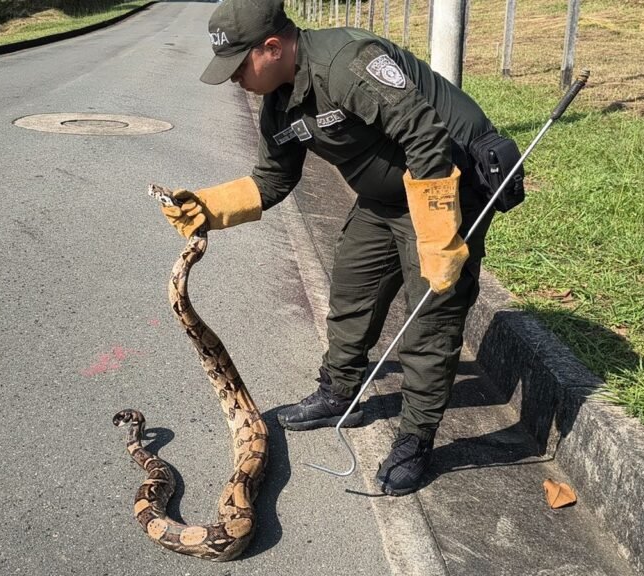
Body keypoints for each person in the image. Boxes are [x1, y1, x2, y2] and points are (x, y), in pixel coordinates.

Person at [160, 0, 499, 496]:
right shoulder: (279, 102)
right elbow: (273, 179)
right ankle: (340, 392)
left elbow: (426, 136)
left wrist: (438, 234)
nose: (234, 80)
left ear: (271, 47)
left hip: (444, 189)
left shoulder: (346, 63)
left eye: (238, 67)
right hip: (383, 199)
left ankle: (416, 439)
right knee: (351, 292)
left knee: (430, 320)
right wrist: (207, 208)